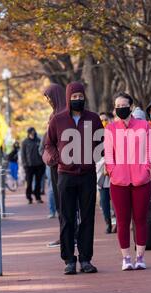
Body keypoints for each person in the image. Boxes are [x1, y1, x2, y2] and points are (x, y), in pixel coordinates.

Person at [43, 81, 103, 275]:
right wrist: (60, 158)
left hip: (87, 175)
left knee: (87, 217)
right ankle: (69, 260)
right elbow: (49, 144)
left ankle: (86, 259)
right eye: (74, 97)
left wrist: (91, 157)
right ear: (68, 98)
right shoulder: (58, 119)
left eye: (80, 96)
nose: (77, 100)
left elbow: (101, 142)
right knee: (67, 218)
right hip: (65, 176)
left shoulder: (93, 118)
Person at [104, 92, 151, 271]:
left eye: (124, 105)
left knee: (140, 219)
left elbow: (149, 150)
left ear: (131, 107)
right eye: (117, 105)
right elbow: (108, 155)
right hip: (118, 182)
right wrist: (113, 172)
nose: (120, 108)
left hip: (141, 181)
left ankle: (140, 257)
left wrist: (146, 169)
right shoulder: (110, 129)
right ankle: (126, 258)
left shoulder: (143, 126)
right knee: (122, 221)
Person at [42, 83, 66, 247]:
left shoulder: (64, 115)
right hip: (54, 165)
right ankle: (64, 234)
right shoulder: (53, 115)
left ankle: (70, 235)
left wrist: (56, 157)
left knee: (66, 202)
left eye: (50, 97)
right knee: (59, 201)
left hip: (62, 165)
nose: (48, 100)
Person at [96, 112, 113, 234]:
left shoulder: (114, 133)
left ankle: (117, 222)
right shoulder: (95, 136)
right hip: (101, 174)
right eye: (101, 120)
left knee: (117, 201)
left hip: (114, 173)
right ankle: (108, 223)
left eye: (105, 119)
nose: (104, 122)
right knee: (104, 201)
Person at [21, 127, 45, 204]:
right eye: (31, 132)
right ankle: (29, 198)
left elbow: (42, 151)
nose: (33, 133)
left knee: (38, 182)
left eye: (34, 132)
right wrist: (25, 164)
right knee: (29, 182)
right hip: (29, 166)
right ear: (28, 133)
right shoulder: (25, 142)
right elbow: (23, 154)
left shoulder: (38, 140)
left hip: (39, 165)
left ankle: (38, 197)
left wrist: (43, 162)